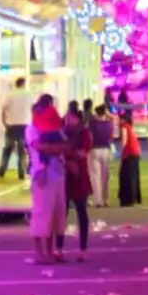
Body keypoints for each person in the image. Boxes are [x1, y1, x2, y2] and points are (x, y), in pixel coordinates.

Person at [27, 94, 68, 263]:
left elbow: (64, 146)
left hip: (57, 174)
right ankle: (39, 252)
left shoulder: (56, 128)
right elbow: (40, 146)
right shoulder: (32, 129)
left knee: (55, 214)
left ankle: (50, 251)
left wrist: (56, 148)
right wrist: (55, 148)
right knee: (41, 213)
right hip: (42, 175)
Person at [62, 103, 93, 256]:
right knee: (62, 213)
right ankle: (58, 248)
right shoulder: (62, 131)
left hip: (79, 176)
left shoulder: (84, 132)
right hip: (65, 177)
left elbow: (83, 152)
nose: (66, 118)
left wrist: (69, 154)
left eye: (69, 116)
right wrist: (67, 160)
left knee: (81, 212)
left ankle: (83, 248)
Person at [0, 78, 32, 180]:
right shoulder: (29, 94)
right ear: (23, 83)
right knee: (22, 151)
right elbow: (33, 109)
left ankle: (2, 170)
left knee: (7, 149)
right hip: (24, 126)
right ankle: (21, 173)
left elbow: (3, 110)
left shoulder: (10, 95)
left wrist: (4, 122)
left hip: (11, 125)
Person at [88, 102, 115, 207]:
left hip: (94, 150)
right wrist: (107, 113)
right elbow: (113, 119)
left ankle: (98, 200)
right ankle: (105, 199)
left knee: (96, 176)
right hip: (106, 150)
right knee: (105, 177)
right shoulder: (108, 124)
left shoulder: (93, 124)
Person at [117, 111, 143, 207]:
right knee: (133, 176)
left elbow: (124, 140)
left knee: (126, 176)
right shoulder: (129, 127)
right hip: (135, 153)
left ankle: (128, 199)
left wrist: (121, 153)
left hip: (129, 153)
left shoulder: (124, 126)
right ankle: (134, 197)